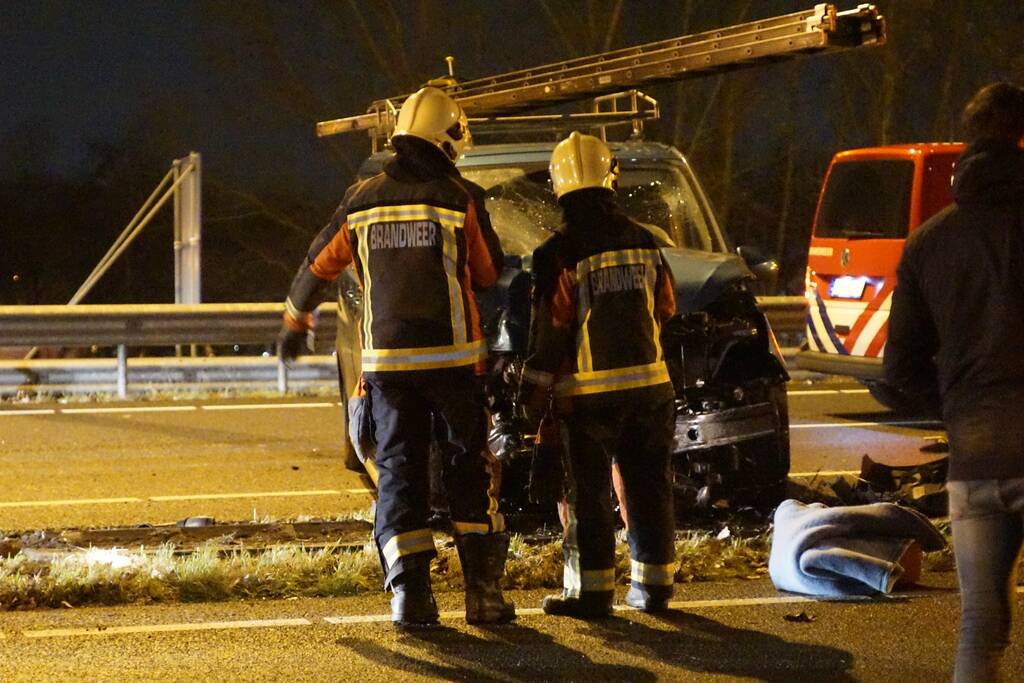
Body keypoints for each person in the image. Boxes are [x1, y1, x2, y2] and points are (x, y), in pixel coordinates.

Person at [277, 86, 514, 627]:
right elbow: (486, 273)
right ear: (448, 138)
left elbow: (317, 266)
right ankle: (483, 596)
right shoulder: (461, 197)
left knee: (399, 475)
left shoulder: (360, 199)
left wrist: (295, 322)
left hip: (388, 369)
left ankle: (411, 600)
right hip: (455, 365)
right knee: (467, 474)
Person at [884, 81, 1024, 682]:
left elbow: (899, 374)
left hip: (976, 458)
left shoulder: (928, 240)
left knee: (980, 627)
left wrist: (956, 407)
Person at [520, 131, 678, 618]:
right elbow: (667, 308)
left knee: (587, 497)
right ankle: (653, 589)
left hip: (589, 400)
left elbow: (550, 334)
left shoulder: (557, 254)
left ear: (558, 184)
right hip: (652, 390)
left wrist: (529, 400)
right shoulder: (646, 240)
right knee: (649, 488)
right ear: (611, 178)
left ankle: (590, 596)